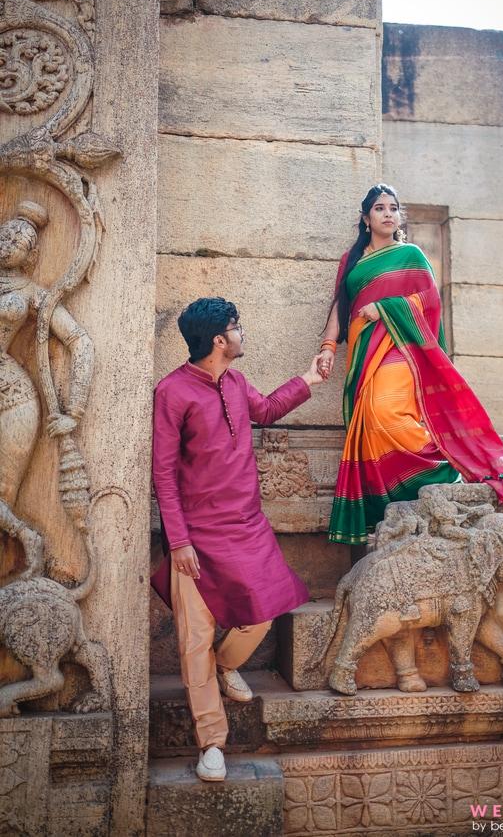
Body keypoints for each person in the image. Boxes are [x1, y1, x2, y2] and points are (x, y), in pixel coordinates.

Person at [150, 297, 322, 782]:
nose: (242, 332)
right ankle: (212, 743)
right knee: (194, 640)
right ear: (219, 340)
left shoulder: (237, 382)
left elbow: (265, 412)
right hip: (196, 538)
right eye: (236, 326)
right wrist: (178, 542)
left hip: (247, 526)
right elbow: (163, 473)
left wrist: (308, 380)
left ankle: (229, 665)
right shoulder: (173, 392)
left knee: (265, 611)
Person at [317, 183, 503, 548]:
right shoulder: (351, 261)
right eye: (379, 208)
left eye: (393, 208)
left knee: (387, 411)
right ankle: (397, 502)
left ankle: (446, 477)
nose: (387, 214)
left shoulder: (410, 254)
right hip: (363, 350)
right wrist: (328, 347)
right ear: (366, 218)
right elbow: (340, 305)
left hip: (401, 346)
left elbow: (429, 301)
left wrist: (384, 308)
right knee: (371, 424)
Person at [0, 200, 93, 577]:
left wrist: (75, 411)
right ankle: (27, 540)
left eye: (20, 241)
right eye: (6, 233)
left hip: (11, 397)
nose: (9, 243)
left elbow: (81, 343)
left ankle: (29, 543)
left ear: (31, 254)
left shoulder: (35, 293)